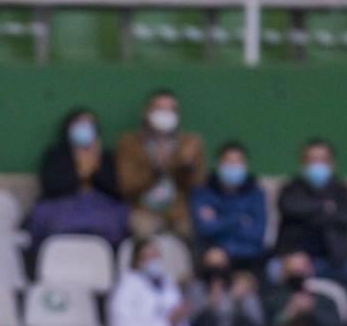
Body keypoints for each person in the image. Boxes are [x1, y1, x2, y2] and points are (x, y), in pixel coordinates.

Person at [113, 91, 206, 241]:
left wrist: (186, 167)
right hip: (143, 209)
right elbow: (127, 185)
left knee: (193, 230)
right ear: (147, 112)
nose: (165, 114)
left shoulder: (189, 143)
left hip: (178, 210)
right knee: (143, 231)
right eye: (160, 109)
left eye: (170, 109)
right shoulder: (130, 142)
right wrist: (157, 169)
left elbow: (197, 185)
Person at [29, 107, 127, 248]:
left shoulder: (104, 157)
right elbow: (52, 187)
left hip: (100, 207)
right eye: (79, 123)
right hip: (62, 206)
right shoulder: (56, 155)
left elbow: (115, 189)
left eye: (89, 124)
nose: (84, 128)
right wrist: (81, 173)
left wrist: (96, 168)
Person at [275, 139, 347, 283]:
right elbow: (290, 207)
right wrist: (324, 208)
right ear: (303, 163)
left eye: (322, 160)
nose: (317, 165)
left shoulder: (342, 191)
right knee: (273, 271)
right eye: (312, 160)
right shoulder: (290, 190)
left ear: (332, 163)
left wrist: (307, 213)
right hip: (295, 258)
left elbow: (344, 216)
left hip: (334, 261)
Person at [107, 235, 193, 326]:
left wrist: (176, 325)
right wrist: (166, 325)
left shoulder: (168, 285)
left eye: (157, 256)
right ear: (137, 260)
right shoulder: (125, 287)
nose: (154, 261)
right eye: (148, 257)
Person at [261, 250, 347, 326]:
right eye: (293, 273)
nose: (298, 277)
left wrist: (313, 310)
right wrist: (288, 312)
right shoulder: (272, 299)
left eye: (301, 272)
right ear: (283, 272)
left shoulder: (325, 300)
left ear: (311, 271)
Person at [189, 142, 267, 271]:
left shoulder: (256, 193)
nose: (233, 167)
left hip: (249, 256)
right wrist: (240, 219)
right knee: (214, 258)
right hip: (212, 253)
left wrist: (219, 218)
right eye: (228, 162)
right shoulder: (201, 192)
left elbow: (257, 234)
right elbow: (203, 230)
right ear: (218, 164)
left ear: (245, 165)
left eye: (237, 162)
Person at [190, 245, 266, 326]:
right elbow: (189, 322)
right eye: (211, 266)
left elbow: (258, 322)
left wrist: (241, 301)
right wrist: (208, 303)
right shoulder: (196, 288)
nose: (216, 272)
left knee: (244, 321)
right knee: (205, 318)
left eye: (220, 265)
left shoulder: (241, 286)